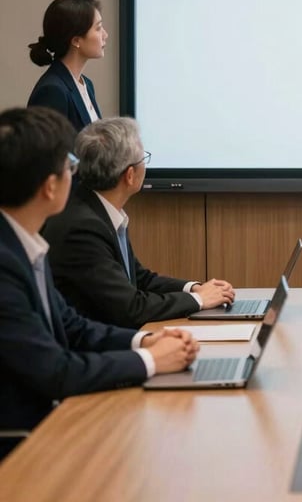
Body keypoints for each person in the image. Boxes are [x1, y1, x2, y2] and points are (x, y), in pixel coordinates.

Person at [0, 107, 198, 459]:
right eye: (69, 167)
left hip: (55, 420)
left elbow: (72, 327)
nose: (74, 176)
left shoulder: (24, 243)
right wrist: (152, 360)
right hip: (27, 444)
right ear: (49, 187)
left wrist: (146, 339)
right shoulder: (7, 262)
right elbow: (56, 372)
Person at [44, 117, 236, 329]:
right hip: (98, 347)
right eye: (143, 158)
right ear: (130, 175)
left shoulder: (98, 210)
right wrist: (200, 301)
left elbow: (139, 278)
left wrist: (195, 288)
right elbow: (131, 308)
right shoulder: (82, 228)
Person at [27, 0, 107, 132]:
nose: (105, 35)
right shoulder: (52, 91)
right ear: (76, 40)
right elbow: (45, 151)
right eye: (98, 28)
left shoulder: (86, 84)